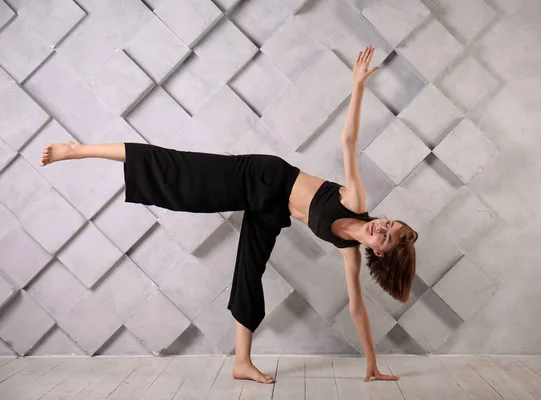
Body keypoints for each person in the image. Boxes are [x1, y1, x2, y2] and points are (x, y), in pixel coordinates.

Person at [40, 46, 418, 384]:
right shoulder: (355, 200)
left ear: (379, 252)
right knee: (181, 173)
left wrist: (371, 360)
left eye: (384, 235)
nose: (380, 226)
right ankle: (76, 149)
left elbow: (356, 306)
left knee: (248, 272)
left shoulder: (348, 250)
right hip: (261, 176)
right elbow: (348, 142)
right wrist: (357, 85)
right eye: (388, 222)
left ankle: (241, 362)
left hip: (272, 211)